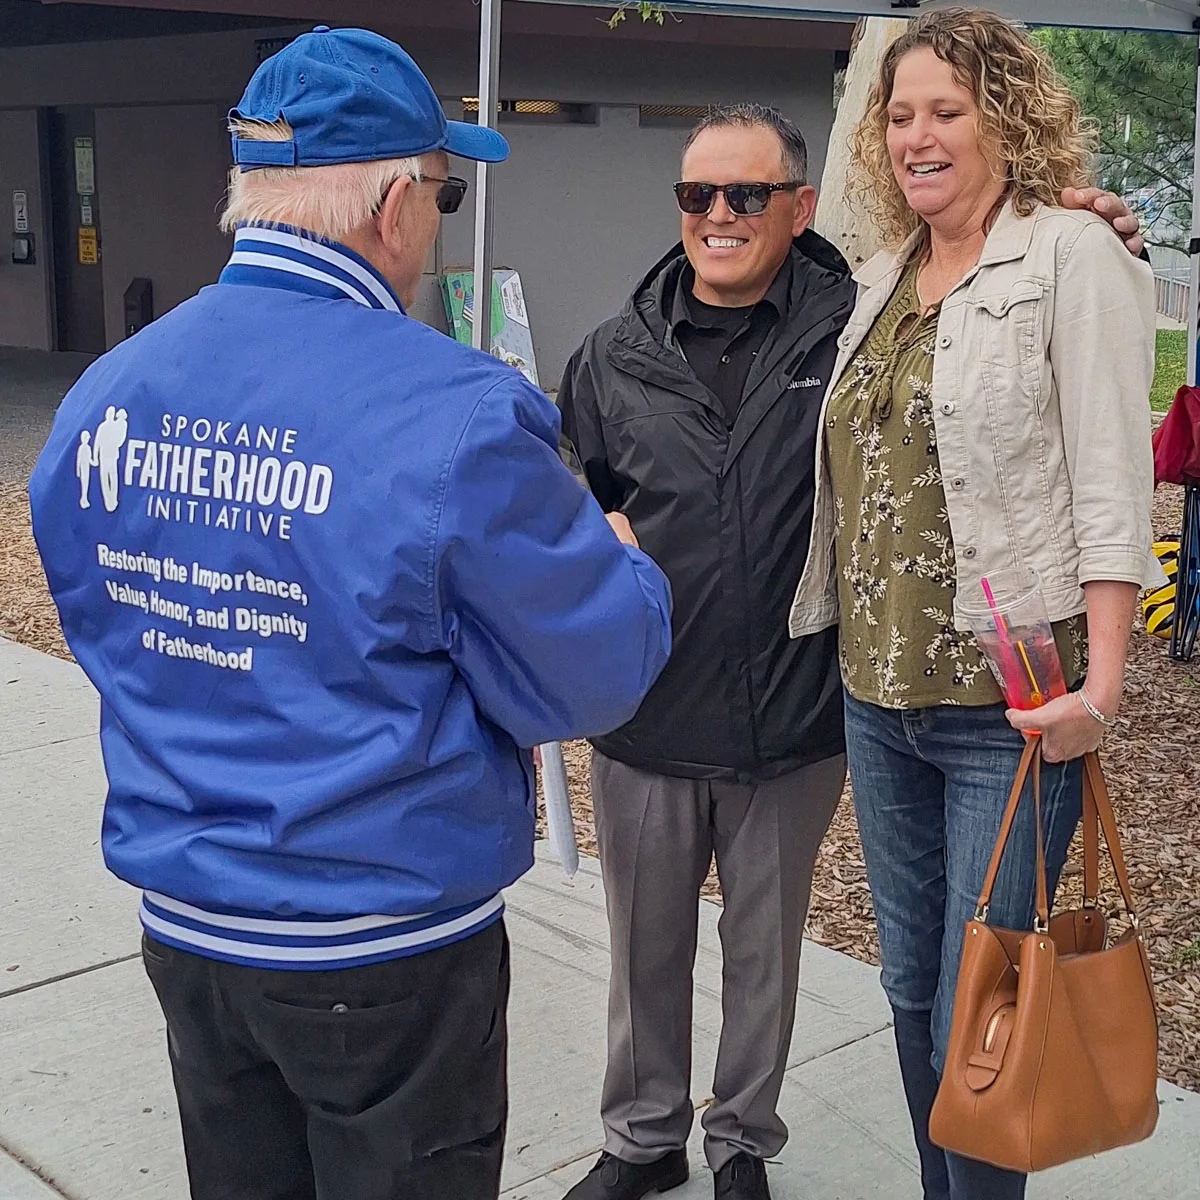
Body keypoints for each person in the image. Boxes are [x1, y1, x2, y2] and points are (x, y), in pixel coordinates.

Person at [28, 27, 671, 1200]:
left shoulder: (109, 393)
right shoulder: (458, 414)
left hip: (190, 923)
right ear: (393, 205)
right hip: (385, 950)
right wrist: (623, 563)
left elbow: (106, 620)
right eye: (445, 189)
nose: (441, 218)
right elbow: (593, 674)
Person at [555, 99, 1142, 1200]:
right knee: (643, 955)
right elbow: (564, 494)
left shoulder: (853, 315)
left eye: (746, 195)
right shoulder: (614, 353)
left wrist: (1086, 219)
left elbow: (982, 290)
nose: (717, 215)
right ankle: (640, 1141)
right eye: (696, 195)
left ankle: (739, 1144)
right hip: (647, 713)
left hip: (796, 714)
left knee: (766, 958)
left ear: (800, 205)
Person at [788, 10, 1161, 1200]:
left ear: (1006, 116)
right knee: (910, 989)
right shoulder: (883, 272)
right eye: (899, 115)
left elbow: (1113, 482)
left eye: (946, 109)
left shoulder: (1069, 256)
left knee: (985, 996)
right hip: (877, 693)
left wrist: (1100, 690)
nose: (916, 135)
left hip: (1009, 711)